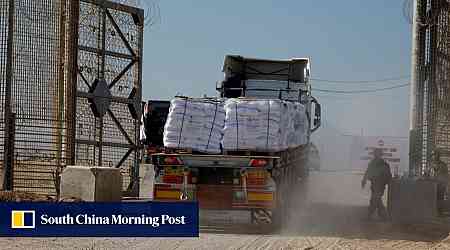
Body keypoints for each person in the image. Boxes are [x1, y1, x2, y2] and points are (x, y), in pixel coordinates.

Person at [361, 148, 392, 221]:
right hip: (374, 185)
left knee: (375, 199)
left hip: (380, 186)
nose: (376, 155)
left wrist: (388, 183)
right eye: (375, 154)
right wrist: (364, 180)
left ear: (380, 155)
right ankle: (383, 216)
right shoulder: (372, 163)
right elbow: (368, 172)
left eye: (377, 154)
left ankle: (372, 215)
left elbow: (388, 176)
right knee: (377, 200)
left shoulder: (384, 164)